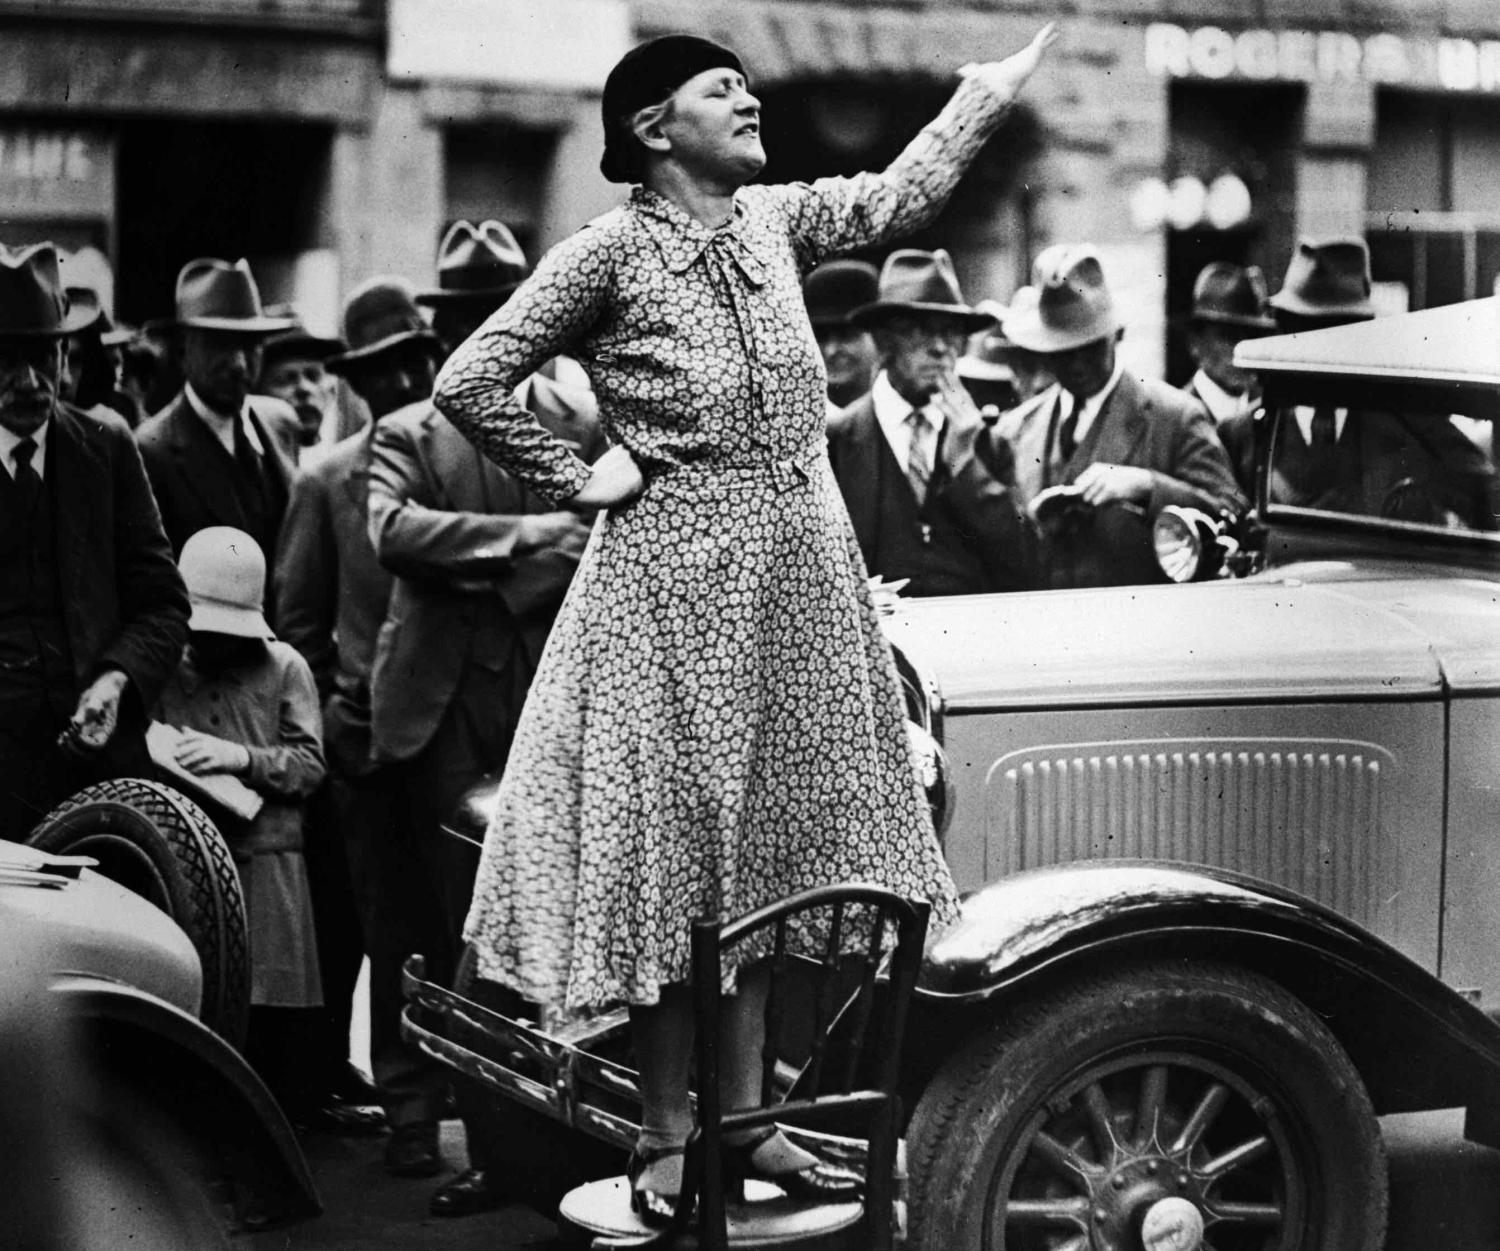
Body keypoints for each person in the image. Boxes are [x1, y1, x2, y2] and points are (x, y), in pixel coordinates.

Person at [431, 25, 1057, 1220]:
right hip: (674, 593)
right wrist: (580, 478)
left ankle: (754, 1121)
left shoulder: (777, 221)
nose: (753, 101)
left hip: (802, 578)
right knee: (683, 861)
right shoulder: (606, 256)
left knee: (776, 848)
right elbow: (470, 377)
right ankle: (669, 1135)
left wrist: (985, 94)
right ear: (654, 130)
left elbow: (901, 193)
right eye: (726, 89)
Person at [365, 265, 605, 1209]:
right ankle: (421, 1120)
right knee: (428, 921)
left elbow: (597, 542)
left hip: (536, 704)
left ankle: (521, 1139)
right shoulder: (411, 430)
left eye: (504, 315)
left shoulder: (575, 423)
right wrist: (522, 544)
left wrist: (504, 562)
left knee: (523, 925)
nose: (494, 333)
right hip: (433, 712)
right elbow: (394, 532)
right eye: (472, 321)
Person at [276, 276, 444, 1164]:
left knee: (468, 929)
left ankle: (484, 1115)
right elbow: (295, 620)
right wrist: (342, 716)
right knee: (393, 931)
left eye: (413, 360)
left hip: (461, 739)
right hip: (368, 743)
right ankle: (412, 1115)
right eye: (379, 370)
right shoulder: (327, 478)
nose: (402, 380)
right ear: (357, 382)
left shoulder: (463, 458)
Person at [0, 242, 189, 841]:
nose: (31, 381)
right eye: (6, 359)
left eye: (44, 354)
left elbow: (163, 603)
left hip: (91, 769)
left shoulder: (106, 448)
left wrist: (114, 682)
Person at [156, 527, 326, 1124]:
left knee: (272, 1018)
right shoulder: (164, 669)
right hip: (193, 862)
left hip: (271, 862)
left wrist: (240, 759)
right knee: (200, 1007)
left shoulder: (285, 667)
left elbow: (310, 767)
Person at [996, 244, 1243, 589]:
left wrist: (1148, 486)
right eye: (1063, 352)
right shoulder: (1017, 430)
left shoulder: (1175, 417)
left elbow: (1232, 515)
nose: (1078, 363)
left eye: (1091, 346)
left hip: (1141, 629)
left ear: (1117, 335)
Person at [828, 249, 1038, 595]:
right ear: (884, 341)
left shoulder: (987, 442)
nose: (940, 348)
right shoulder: (837, 439)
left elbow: (1024, 564)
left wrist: (966, 465)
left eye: (952, 332)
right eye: (920, 331)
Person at [135, 259, 302, 566]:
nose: (239, 364)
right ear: (183, 353)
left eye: (251, 345)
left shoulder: (280, 424)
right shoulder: (150, 449)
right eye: (221, 346)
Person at [257, 318, 353, 468]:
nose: (304, 389)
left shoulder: (348, 465)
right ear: (259, 395)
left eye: (313, 376)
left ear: (331, 393)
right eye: (285, 380)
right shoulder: (252, 470)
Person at [801, 259, 880, 413]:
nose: (831, 351)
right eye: (820, 336)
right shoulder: (797, 418)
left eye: (846, 335)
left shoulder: (900, 414)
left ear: (878, 337)